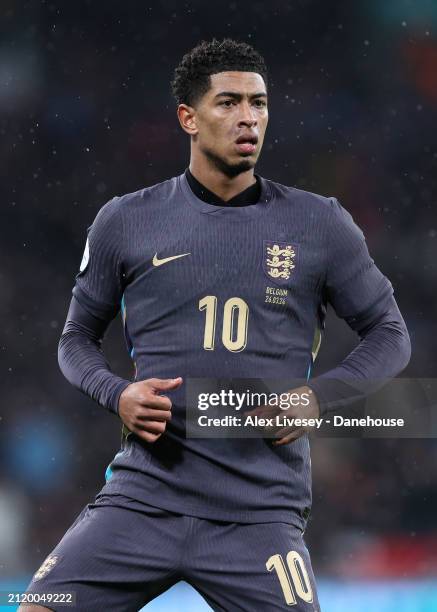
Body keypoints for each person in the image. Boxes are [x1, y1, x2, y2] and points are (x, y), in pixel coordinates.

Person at [22, 38, 410, 611]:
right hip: (143, 499)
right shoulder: (126, 222)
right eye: (228, 103)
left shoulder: (319, 224)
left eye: (259, 103)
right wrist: (117, 392)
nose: (248, 117)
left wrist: (316, 397)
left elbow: (391, 335)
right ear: (188, 117)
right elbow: (75, 338)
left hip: (258, 511)